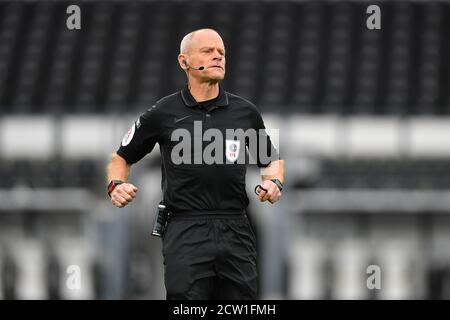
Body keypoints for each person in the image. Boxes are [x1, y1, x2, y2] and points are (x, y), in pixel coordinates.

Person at [106, 28, 285, 300]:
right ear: (184, 61)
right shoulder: (163, 113)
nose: (218, 57)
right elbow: (121, 157)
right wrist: (116, 184)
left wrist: (273, 183)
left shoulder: (245, 113)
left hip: (236, 226)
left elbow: (271, 162)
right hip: (185, 227)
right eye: (208, 51)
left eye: (222, 52)